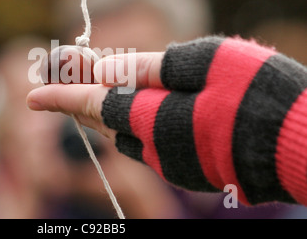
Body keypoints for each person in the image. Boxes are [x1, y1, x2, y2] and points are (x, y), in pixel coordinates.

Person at [26, 35, 307, 207]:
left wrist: (280, 127)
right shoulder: (60, 178)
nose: (107, 85)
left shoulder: (246, 188)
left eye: (131, 57)